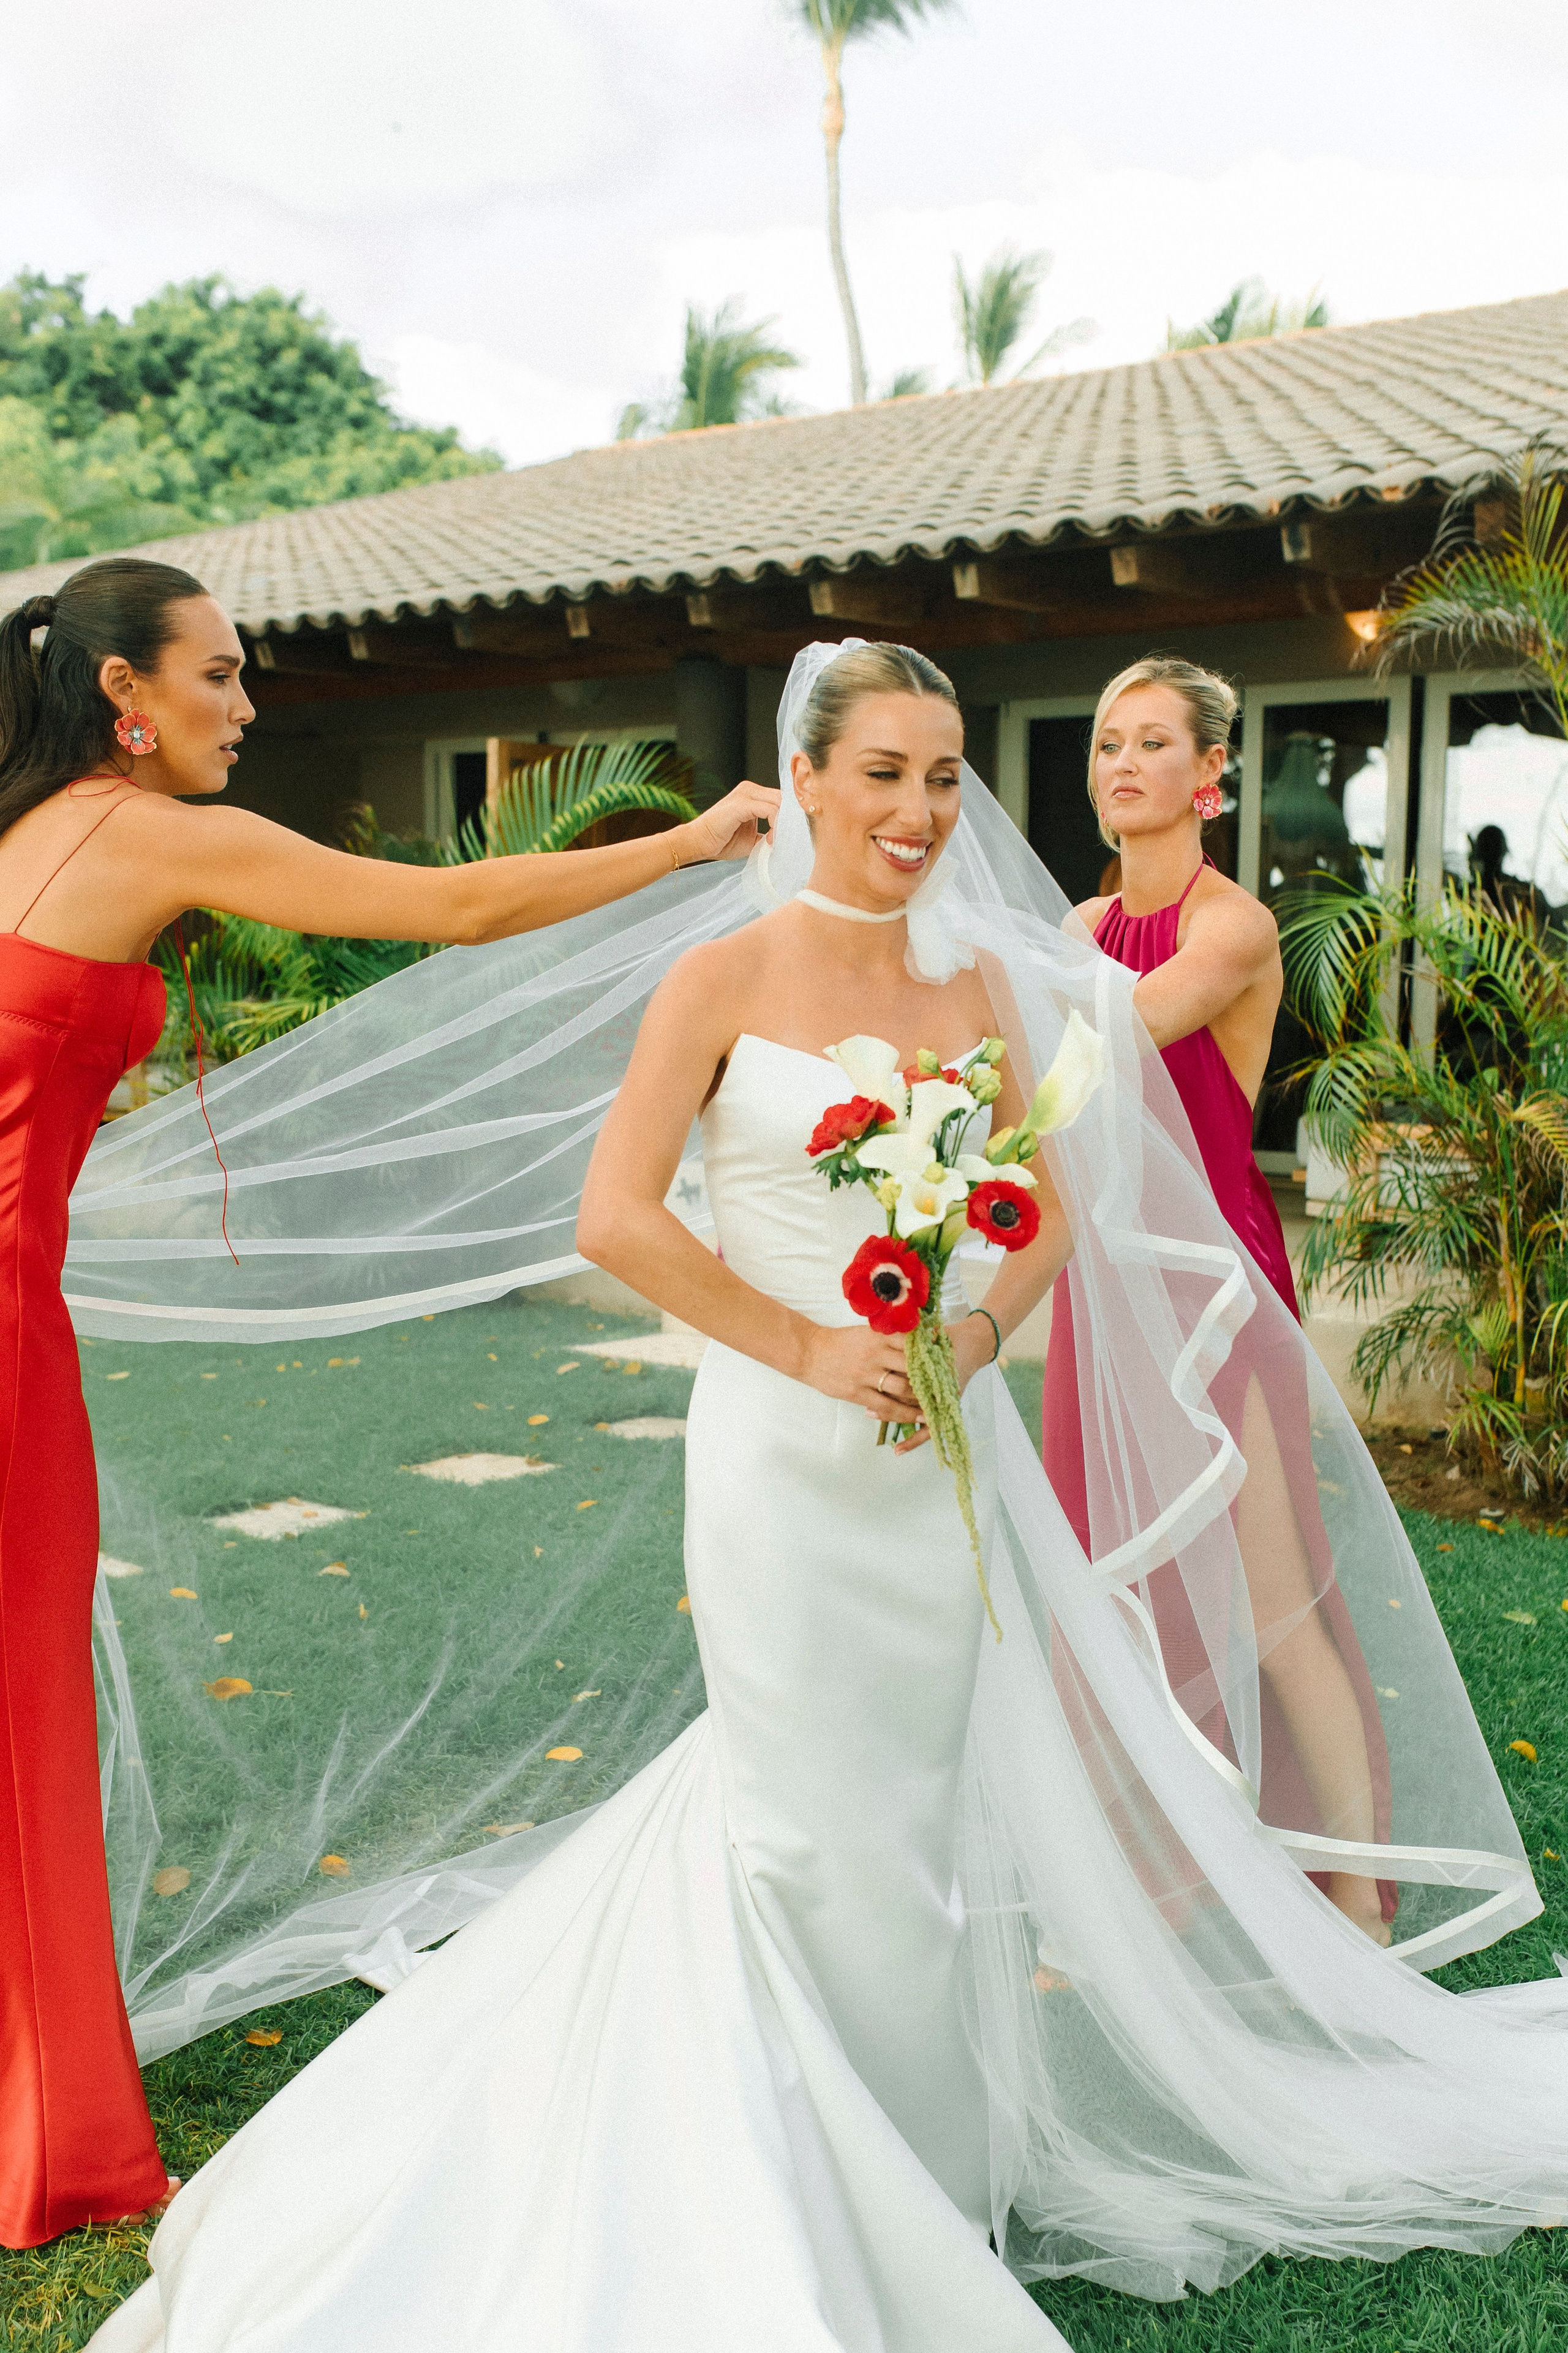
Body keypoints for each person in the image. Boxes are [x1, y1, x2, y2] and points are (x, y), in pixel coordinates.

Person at [88, 643, 1568, 2353]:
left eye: (946, 777)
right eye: (884, 774)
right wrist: (805, 1342)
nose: (921, 812)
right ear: (805, 780)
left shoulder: (990, 992)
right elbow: (618, 1219)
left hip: (936, 1471)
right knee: (799, 1822)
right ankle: (767, 2185)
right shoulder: (716, 979)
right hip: (783, 1464)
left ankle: (910, 2176)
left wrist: (976, 1321)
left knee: (912, 1830)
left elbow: (1046, 1212)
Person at [0, 555, 775, 2250]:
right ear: (125, 694)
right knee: (21, 1723)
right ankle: (51, 2144)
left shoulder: (25, 838)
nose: (249, 702)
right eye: (220, 675)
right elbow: (456, 911)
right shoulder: (144, 833)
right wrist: (682, 844)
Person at [1040, 657, 1393, 1944]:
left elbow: (1101, 1043)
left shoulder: (1227, 927)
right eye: (1103, 743)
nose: (1120, 763)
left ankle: (1353, 1896)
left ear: (1208, 777)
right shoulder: (1077, 926)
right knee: (1118, 1597)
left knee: (1272, 1596)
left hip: (1212, 1291)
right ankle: (1153, 1901)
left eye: (1149, 743)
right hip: (1102, 1282)